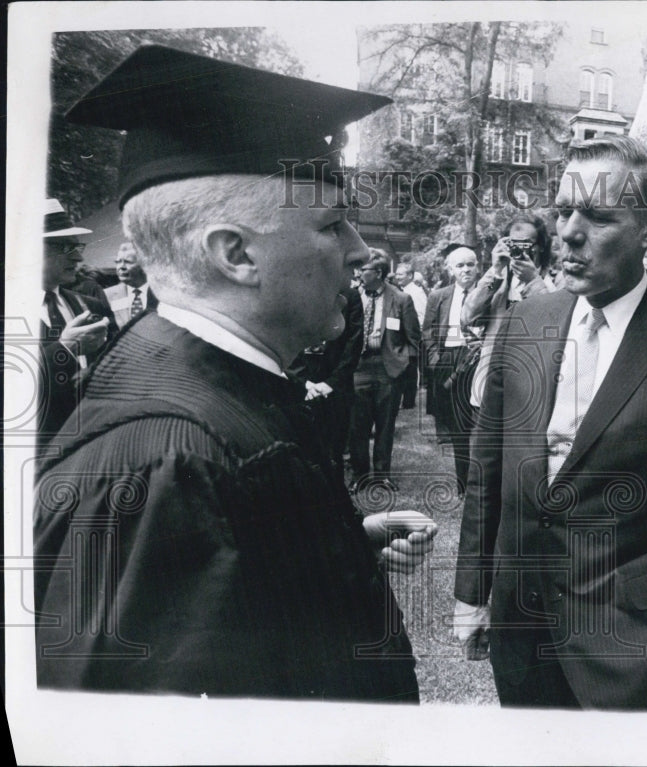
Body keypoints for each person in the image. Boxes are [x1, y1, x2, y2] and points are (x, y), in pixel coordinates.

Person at [34, 44, 436, 701]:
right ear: (237, 253)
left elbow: (230, 607)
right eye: (333, 225)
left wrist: (331, 546)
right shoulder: (164, 466)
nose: (360, 252)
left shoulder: (215, 384)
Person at [453, 135, 647, 710]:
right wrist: (473, 590)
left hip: (628, 638)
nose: (568, 231)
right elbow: (487, 465)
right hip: (521, 624)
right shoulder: (528, 319)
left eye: (596, 216)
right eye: (564, 209)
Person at [38, 198, 117, 447]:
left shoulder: (91, 306)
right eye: (64, 247)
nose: (77, 258)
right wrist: (63, 350)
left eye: (77, 247)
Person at [463, 215, 557, 408]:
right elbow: (467, 317)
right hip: (492, 381)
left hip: (533, 382)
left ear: (540, 246)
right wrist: (495, 270)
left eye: (526, 244)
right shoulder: (497, 280)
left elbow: (555, 322)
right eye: (513, 243)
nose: (519, 249)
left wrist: (533, 281)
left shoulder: (554, 280)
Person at [347, 250, 421, 492]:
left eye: (363, 270)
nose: (358, 273)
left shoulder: (401, 299)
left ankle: (382, 475)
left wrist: (403, 366)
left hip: (388, 369)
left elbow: (414, 339)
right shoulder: (353, 297)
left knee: (385, 425)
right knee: (358, 425)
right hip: (359, 367)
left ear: (378, 273)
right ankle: (359, 475)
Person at [288, 285, 364, 485]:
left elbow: (354, 342)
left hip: (335, 384)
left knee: (334, 451)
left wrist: (332, 383)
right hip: (300, 381)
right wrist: (303, 381)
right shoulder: (291, 288)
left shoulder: (349, 295)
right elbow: (284, 336)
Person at [424, 246, 482, 495]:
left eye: (470, 264)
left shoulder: (487, 292)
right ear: (450, 270)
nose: (466, 270)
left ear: (478, 266)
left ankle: (486, 481)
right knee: (458, 426)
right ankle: (463, 483)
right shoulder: (439, 296)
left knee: (482, 422)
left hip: (478, 359)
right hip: (448, 358)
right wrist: (436, 358)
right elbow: (427, 331)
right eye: (460, 265)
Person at [393, 261, 426, 409]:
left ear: (410, 276)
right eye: (397, 274)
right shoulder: (402, 290)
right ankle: (405, 400)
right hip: (403, 333)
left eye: (400, 274)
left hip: (411, 335)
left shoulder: (415, 292)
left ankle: (408, 401)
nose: (397, 277)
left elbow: (420, 315)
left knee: (410, 367)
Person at [104, 240, 159, 325]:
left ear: (145, 265)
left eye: (128, 262)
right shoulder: (107, 294)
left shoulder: (160, 293)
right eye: (118, 262)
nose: (121, 267)